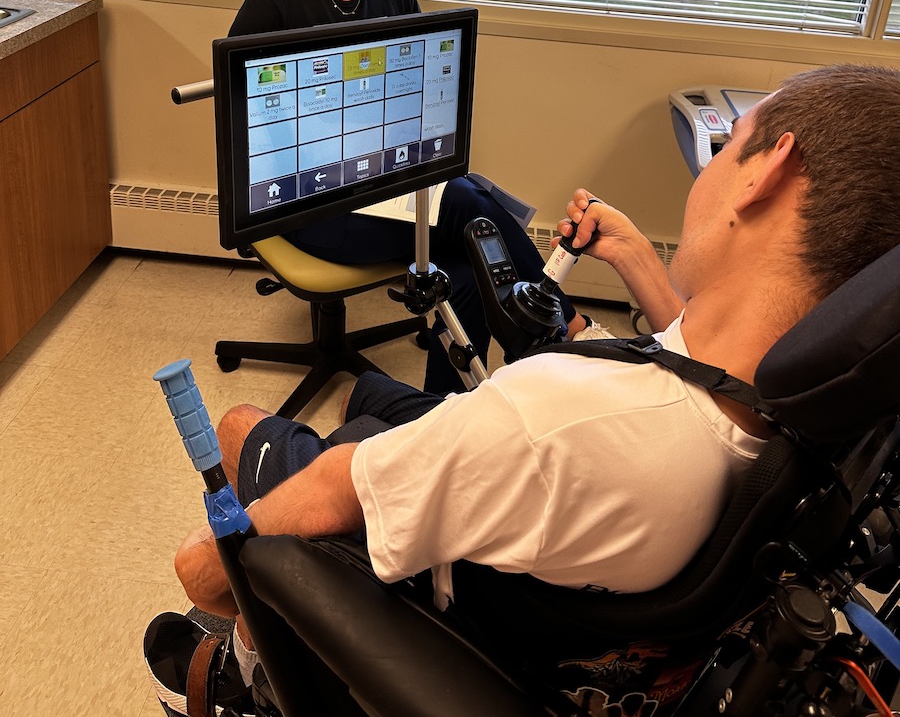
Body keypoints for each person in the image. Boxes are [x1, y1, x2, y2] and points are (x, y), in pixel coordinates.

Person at [175, 64, 900, 699]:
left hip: (472, 590)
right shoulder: (814, 395)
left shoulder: (554, 417)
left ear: (767, 172)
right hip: (579, 552)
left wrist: (210, 577)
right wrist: (636, 258)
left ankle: (244, 663)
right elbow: (707, 368)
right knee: (367, 398)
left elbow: (342, 486)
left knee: (242, 425)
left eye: (729, 143)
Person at [228, 0, 577, 393]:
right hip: (313, 199)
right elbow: (246, 126)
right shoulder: (271, 6)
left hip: (388, 180)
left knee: (462, 267)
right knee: (467, 203)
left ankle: (445, 412)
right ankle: (557, 326)